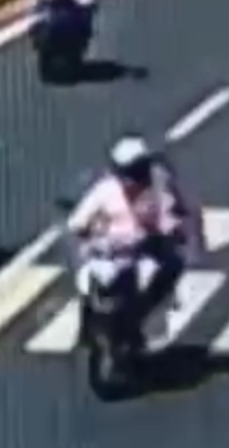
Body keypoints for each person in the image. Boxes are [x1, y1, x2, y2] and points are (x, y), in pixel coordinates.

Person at [66, 137, 199, 343]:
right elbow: (77, 221)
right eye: (130, 171)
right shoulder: (106, 190)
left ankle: (141, 316)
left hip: (143, 250)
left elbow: (173, 213)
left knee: (173, 265)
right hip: (107, 253)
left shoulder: (158, 186)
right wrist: (89, 236)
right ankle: (88, 324)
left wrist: (174, 231)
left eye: (139, 169)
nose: (135, 177)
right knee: (88, 282)